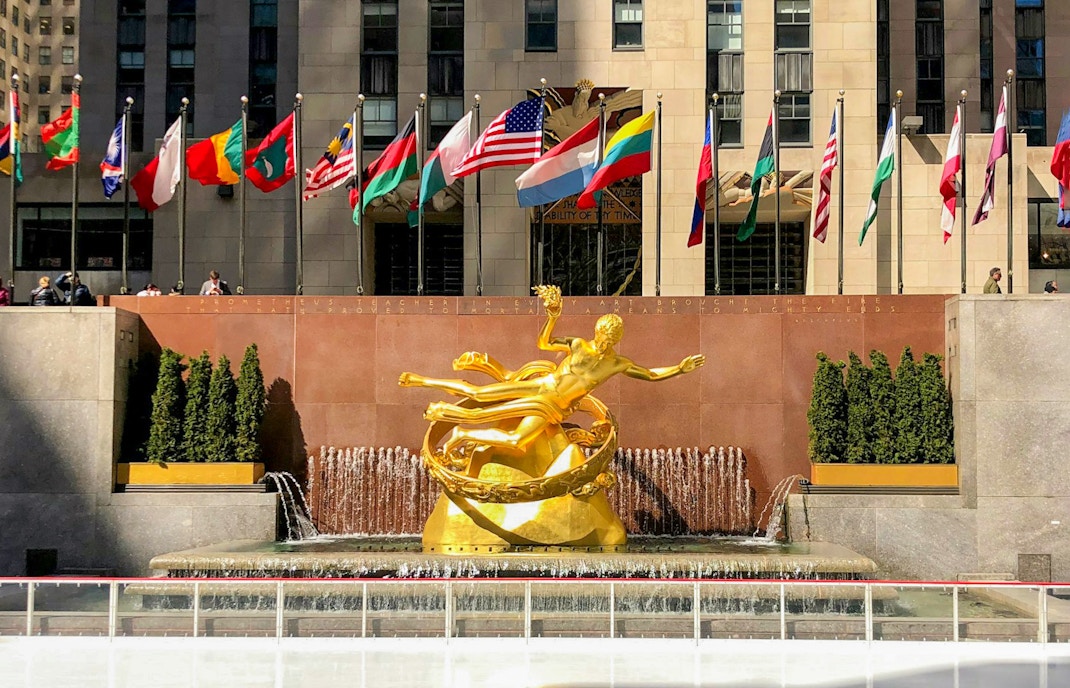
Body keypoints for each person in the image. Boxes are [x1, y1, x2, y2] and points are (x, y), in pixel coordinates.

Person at [399, 284, 705, 462]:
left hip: (553, 408)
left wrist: (679, 368)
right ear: (596, 332)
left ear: (616, 340)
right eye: (601, 336)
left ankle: (463, 434)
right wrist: (552, 316)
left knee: (518, 440)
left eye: (609, 340)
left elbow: (650, 374)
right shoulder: (578, 344)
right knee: (478, 395)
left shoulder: (617, 364)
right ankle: (422, 381)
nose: (603, 342)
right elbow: (544, 342)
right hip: (541, 387)